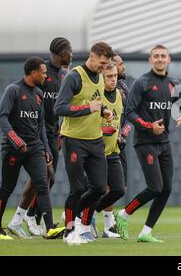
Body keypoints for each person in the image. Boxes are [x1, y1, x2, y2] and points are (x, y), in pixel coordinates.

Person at [114, 44, 181, 243]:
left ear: (169, 59)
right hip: (145, 142)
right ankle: (123, 215)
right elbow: (129, 112)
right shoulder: (142, 83)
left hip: (164, 143)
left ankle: (146, 232)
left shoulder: (174, 84)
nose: (159, 59)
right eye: (155, 56)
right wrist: (149, 126)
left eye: (163, 56)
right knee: (155, 187)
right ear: (150, 60)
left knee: (166, 189)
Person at [55, 42, 114, 245]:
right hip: (74, 140)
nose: (104, 67)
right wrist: (89, 108)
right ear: (92, 56)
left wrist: (104, 110)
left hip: (95, 140)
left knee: (98, 188)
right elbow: (59, 108)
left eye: (107, 64)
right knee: (77, 189)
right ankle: (69, 231)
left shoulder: (99, 77)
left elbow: (97, 100)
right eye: (103, 63)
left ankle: (81, 224)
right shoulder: (74, 76)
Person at [0, 57, 65, 240]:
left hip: (34, 148)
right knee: (6, 188)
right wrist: (15, 140)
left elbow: (41, 125)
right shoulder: (13, 90)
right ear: (34, 72)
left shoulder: (38, 94)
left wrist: (45, 149)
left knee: (43, 183)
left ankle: (50, 228)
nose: (46, 76)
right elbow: (3, 118)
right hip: (13, 148)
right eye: (43, 72)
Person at [13, 37, 72, 236]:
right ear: (57, 52)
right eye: (67, 51)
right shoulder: (41, 72)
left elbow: (64, 107)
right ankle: (28, 217)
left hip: (54, 134)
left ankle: (30, 217)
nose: (70, 55)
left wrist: (61, 131)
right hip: (38, 134)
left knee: (49, 179)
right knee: (46, 176)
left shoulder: (65, 75)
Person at [96, 53, 131, 238]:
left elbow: (128, 117)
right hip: (95, 149)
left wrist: (121, 134)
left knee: (118, 188)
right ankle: (83, 219)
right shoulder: (96, 93)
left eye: (115, 75)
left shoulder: (122, 92)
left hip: (115, 148)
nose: (114, 76)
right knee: (96, 188)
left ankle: (93, 217)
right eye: (110, 74)